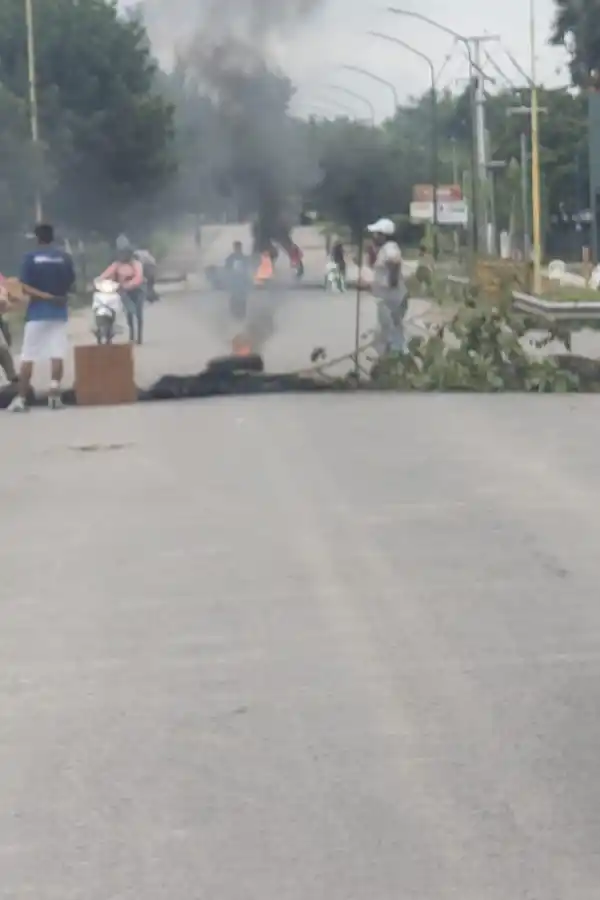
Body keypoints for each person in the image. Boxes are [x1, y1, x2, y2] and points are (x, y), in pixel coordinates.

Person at [8, 223, 75, 412]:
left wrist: (45, 296)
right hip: (59, 313)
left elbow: (24, 286)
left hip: (37, 313)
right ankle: (54, 394)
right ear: (52, 237)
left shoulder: (30, 258)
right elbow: (70, 282)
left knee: (28, 356)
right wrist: (57, 297)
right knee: (57, 354)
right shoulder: (64, 257)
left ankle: (21, 399)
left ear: (37, 238)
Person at [366, 217, 408, 355]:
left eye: (376, 233)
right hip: (387, 297)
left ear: (383, 235)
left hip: (391, 298)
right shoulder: (384, 249)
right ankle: (392, 357)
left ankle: (396, 358)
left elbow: (394, 261)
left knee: (389, 330)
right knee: (387, 331)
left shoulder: (389, 248)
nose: (374, 236)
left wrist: (392, 282)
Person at [99, 245, 145, 344]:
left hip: (137, 291)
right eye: (121, 254)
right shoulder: (116, 265)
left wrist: (128, 285)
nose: (122, 257)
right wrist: (99, 280)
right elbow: (106, 273)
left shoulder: (136, 264)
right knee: (128, 313)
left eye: (125, 254)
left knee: (138, 313)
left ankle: (139, 336)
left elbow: (138, 277)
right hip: (124, 291)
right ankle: (132, 335)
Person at [225, 241, 251, 319]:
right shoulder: (230, 259)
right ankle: (234, 316)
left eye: (239, 247)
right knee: (234, 301)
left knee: (242, 302)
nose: (238, 249)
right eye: (236, 247)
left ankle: (241, 317)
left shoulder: (244, 258)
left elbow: (248, 270)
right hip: (234, 285)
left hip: (242, 285)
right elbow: (227, 270)